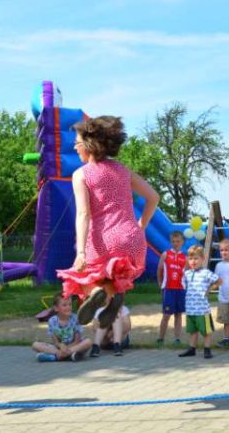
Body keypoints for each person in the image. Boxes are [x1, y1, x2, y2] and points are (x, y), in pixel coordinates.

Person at [57, 116, 160, 330]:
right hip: (131, 238)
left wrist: (81, 252)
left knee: (83, 277)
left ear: (89, 144)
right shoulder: (123, 170)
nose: (75, 147)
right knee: (114, 277)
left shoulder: (81, 175)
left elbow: (83, 214)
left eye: (77, 142)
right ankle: (113, 297)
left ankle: (96, 293)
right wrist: (140, 227)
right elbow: (154, 197)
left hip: (103, 238)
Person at [179, 245, 219, 359]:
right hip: (190, 309)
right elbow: (183, 285)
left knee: (206, 331)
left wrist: (209, 290)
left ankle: (207, 349)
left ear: (203, 259)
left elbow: (219, 281)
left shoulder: (206, 273)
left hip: (202, 310)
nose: (193, 261)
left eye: (196, 258)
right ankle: (192, 349)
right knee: (193, 331)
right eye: (191, 259)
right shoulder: (187, 274)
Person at [33, 293, 93, 361]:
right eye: (64, 305)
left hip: (74, 346)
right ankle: (69, 356)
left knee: (88, 342)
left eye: (70, 304)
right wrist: (61, 346)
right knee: (35, 345)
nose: (68, 307)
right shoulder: (52, 321)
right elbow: (56, 342)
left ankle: (55, 357)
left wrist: (66, 349)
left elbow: (77, 341)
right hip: (59, 348)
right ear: (56, 308)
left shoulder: (75, 318)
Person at [156, 229, 186, 347]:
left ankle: (177, 339)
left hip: (180, 289)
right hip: (168, 289)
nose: (175, 243)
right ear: (170, 242)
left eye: (178, 241)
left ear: (182, 242)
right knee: (166, 315)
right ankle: (160, 338)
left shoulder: (185, 257)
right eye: (173, 241)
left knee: (178, 314)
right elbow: (159, 270)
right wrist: (160, 283)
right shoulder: (165, 254)